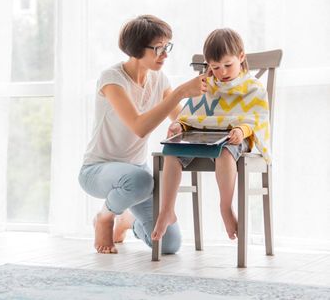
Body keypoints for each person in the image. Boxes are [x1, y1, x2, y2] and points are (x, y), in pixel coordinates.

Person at [78, 15, 207, 254]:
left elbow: (180, 118)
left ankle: (128, 221)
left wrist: (183, 125)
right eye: (159, 48)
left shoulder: (159, 80)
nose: (165, 54)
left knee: (169, 244)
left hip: (137, 173)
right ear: (137, 49)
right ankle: (105, 218)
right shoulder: (112, 79)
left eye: (167, 46)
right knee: (141, 180)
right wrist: (179, 93)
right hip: (98, 170)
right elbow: (139, 127)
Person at [151, 28, 271, 242]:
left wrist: (240, 130)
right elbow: (192, 114)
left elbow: (256, 119)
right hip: (202, 136)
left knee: (224, 153)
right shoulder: (205, 86)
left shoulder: (253, 88)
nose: (222, 72)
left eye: (228, 65)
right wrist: (181, 126)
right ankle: (167, 210)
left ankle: (225, 207)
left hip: (233, 138)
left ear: (241, 57)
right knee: (171, 151)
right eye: (215, 67)